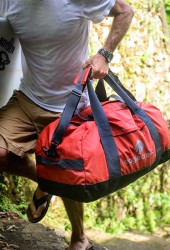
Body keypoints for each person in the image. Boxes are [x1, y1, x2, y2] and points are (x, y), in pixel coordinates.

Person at [0, 0, 134, 249]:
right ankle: (46, 180)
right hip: (27, 97)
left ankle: (79, 237)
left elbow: (125, 11)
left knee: (69, 171)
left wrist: (104, 55)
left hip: (70, 105)